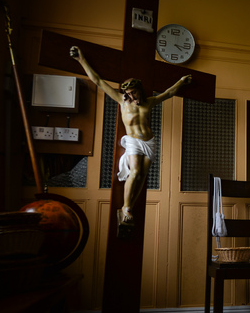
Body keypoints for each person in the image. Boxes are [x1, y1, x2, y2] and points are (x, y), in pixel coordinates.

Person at [70, 46, 191, 224]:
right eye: (128, 93)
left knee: (143, 174)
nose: (131, 96)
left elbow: (169, 93)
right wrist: (80, 59)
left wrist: (181, 81)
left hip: (149, 141)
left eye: (133, 92)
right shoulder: (122, 102)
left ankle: (130, 206)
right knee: (134, 172)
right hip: (134, 141)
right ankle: (126, 207)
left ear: (139, 90)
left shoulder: (149, 102)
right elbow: (97, 81)